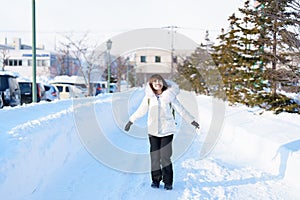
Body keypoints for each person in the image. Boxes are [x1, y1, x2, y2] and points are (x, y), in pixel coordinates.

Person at [124, 74, 200, 190]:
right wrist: (131, 121)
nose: (157, 84)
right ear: (151, 85)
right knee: (155, 157)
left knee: (165, 157)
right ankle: (156, 180)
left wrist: (192, 121)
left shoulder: (170, 96)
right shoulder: (149, 98)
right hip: (153, 132)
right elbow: (140, 111)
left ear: (163, 83)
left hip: (167, 131)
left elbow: (181, 110)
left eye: (159, 81)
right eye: (154, 82)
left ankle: (168, 182)